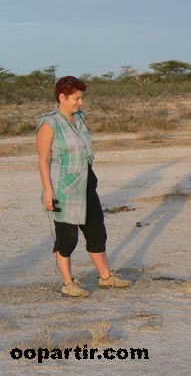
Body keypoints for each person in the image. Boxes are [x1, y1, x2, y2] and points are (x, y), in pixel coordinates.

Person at [37, 76, 131, 298]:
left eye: (81, 98)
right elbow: (43, 160)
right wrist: (48, 191)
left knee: (97, 232)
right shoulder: (49, 123)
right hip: (64, 189)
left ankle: (106, 277)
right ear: (62, 97)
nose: (80, 102)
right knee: (67, 238)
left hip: (87, 185)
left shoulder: (80, 118)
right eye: (76, 98)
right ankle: (68, 283)